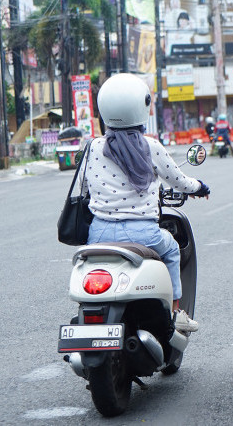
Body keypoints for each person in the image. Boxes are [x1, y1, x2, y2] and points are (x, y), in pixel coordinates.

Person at [85, 73, 210, 333]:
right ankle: (177, 313)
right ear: (142, 106)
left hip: (100, 233)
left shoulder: (93, 148)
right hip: (143, 234)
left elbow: (86, 187)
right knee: (173, 250)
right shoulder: (150, 146)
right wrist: (199, 187)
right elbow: (179, 180)